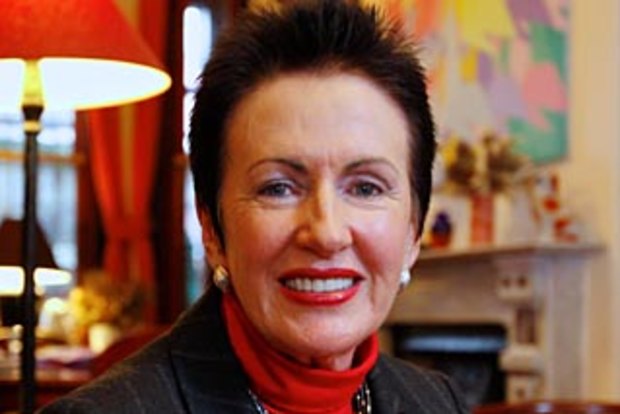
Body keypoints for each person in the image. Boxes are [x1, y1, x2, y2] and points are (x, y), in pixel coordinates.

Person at [41, 1, 468, 413]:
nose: (326, 233)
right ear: (211, 229)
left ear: (414, 231)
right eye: (278, 188)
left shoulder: (437, 401)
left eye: (366, 188)